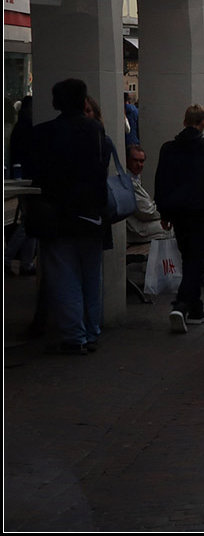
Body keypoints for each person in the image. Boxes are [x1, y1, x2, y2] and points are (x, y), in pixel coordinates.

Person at [26, 79, 109, 355]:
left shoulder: (44, 133)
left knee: (64, 277)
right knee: (91, 276)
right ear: (84, 101)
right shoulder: (96, 131)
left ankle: (75, 336)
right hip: (92, 214)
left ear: (56, 102)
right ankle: (92, 330)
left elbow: (34, 171)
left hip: (58, 214)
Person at [155, 105, 204, 332]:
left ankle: (196, 308)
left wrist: (164, 213)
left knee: (188, 258)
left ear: (184, 122)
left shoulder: (168, 149)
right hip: (200, 211)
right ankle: (182, 305)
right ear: (202, 123)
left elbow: (161, 180)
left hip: (177, 212)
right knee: (195, 259)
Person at [6, 96, 38, 276]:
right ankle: (9, 257)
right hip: (28, 178)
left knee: (30, 220)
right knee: (29, 221)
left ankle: (25, 262)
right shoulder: (27, 128)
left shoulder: (21, 127)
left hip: (25, 177)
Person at [125, 145, 172, 245]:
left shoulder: (134, 179)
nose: (139, 164)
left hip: (141, 224)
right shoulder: (128, 181)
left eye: (141, 161)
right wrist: (167, 212)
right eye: (135, 160)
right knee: (176, 226)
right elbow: (147, 211)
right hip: (137, 229)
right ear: (127, 160)